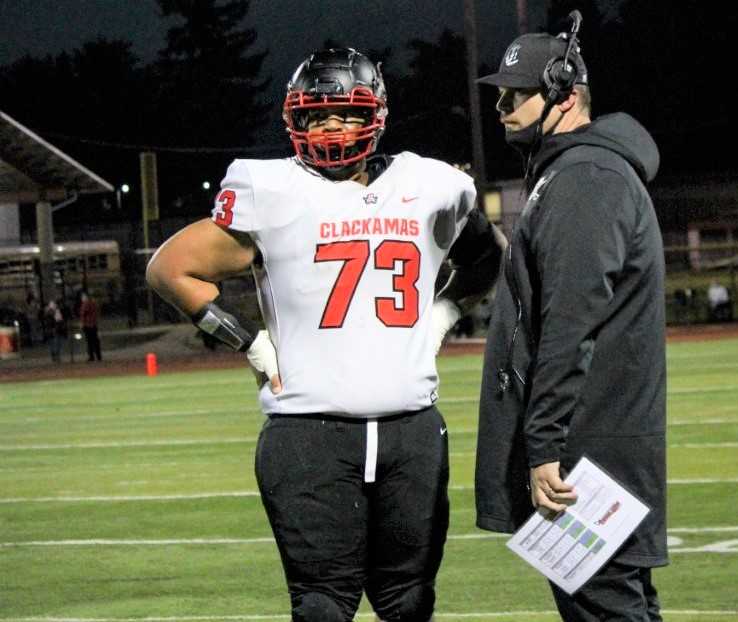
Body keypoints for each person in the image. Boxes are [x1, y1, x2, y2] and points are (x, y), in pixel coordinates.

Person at [146, 48, 504, 622]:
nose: (332, 127)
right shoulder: (271, 187)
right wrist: (250, 342)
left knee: (410, 601)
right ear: (295, 120)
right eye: (316, 115)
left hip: (409, 430)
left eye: (346, 113)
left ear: (376, 115)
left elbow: (489, 258)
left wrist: (444, 314)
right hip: (306, 433)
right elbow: (169, 268)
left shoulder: (430, 183)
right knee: (320, 607)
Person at [474, 25, 668, 621]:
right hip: (594, 441)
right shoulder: (572, 172)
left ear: (564, 94)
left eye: (515, 95)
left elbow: (568, 324)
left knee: (605, 610)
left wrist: (544, 448)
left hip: (588, 451)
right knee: (618, 608)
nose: (501, 108)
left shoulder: (584, 177)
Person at [78, 291, 102, 361]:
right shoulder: (94, 303)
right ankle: (98, 355)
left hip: (88, 324)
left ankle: (91, 356)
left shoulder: (85, 304)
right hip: (94, 324)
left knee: (89, 341)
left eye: (83, 297)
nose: (82, 298)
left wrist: (82, 323)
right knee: (95, 340)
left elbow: (83, 314)